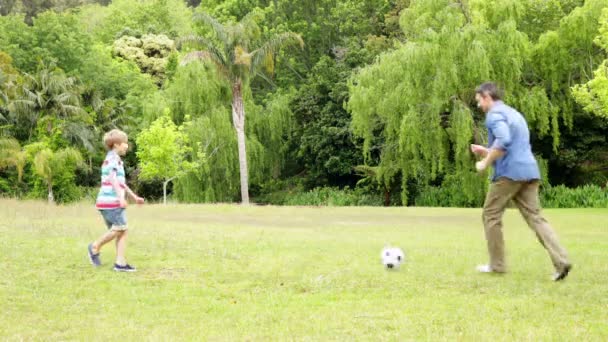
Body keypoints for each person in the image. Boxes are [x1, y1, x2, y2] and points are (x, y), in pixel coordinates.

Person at [471, 82, 571, 281]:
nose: (478, 106)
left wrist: (485, 162)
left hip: (509, 174)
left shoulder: (493, 114)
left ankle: (497, 265)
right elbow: (511, 143)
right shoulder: (514, 113)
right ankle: (562, 261)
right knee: (536, 218)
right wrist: (487, 150)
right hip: (529, 170)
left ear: (487, 96)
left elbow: (504, 141)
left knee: (490, 214)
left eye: (478, 101)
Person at [87, 129, 144, 272]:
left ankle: (120, 263)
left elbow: (121, 183)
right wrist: (120, 198)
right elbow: (113, 179)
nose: (127, 146)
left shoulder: (115, 159)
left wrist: (134, 197)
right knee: (120, 228)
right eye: (125, 143)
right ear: (117, 144)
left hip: (107, 202)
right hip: (111, 202)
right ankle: (95, 246)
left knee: (121, 231)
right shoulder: (113, 159)